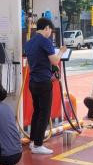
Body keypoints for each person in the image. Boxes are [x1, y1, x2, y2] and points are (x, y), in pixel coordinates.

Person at [24, 18, 67, 155]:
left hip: (33, 82)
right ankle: (38, 144)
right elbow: (54, 61)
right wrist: (61, 51)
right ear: (47, 28)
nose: (50, 34)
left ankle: (33, 141)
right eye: (51, 31)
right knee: (44, 113)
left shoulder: (30, 42)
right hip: (43, 82)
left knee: (37, 112)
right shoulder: (45, 41)